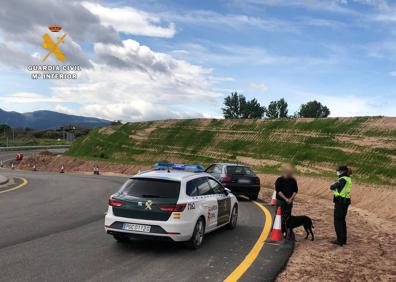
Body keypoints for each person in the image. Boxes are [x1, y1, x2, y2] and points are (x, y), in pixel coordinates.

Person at [330, 165, 352, 246]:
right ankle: (343, 239)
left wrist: (332, 185)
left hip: (340, 202)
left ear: (342, 171)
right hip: (345, 201)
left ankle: (340, 240)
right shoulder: (348, 178)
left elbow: (333, 187)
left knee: (338, 221)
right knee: (342, 221)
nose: (337, 172)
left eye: (338, 170)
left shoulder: (343, 179)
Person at [275, 164, 298, 236]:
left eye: (291, 173)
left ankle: (286, 231)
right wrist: (286, 199)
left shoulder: (293, 180)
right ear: (285, 172)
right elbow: (278, 191)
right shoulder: (279, 180)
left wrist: (290, 199)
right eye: (289, 172)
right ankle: (276, 229)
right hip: (281, 201)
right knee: (279, 216)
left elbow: (295, 190)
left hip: (289, 201)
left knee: (288, 217)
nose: (290, 174)